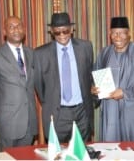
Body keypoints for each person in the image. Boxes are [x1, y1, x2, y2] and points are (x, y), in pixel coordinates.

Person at [91, 16, 134, 142]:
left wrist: (125, 93)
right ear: (110, 34)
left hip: (133, 110)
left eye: (122, 33)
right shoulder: (104, 54)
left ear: (129, 34)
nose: (118, 37)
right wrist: (94, 89)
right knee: (111, 148)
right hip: (111, 110)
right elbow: (96, 77)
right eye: (114, 33)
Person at [34, 12, 94, 143]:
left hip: (82, 112)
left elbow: (90, 76)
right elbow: (39, 86)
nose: (62, 35)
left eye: (65, 31)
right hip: (58, 114)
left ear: (72, 29)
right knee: (58, 154)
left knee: (83, 153)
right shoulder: (40, 54)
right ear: (51, 32)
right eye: (57, 32)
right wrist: (53, 100)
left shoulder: (85, 47)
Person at [0, 16, 38, 151]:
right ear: (4, 32)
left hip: (29, 122)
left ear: (24, 29)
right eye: (11, 27)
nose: (16, 30)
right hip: (8, 122)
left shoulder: (32, 53)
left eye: (18, 26)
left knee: (26, 158)